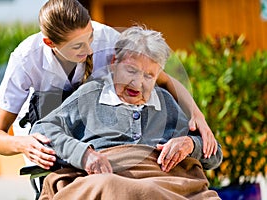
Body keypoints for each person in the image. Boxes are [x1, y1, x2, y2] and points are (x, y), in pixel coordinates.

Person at [0, 0, 217, 170]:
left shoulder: (108, 39)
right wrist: (22, 144)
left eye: (90, 37)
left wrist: (198, 117)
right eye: (77, 47)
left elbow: (161, 78)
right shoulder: (27, 59)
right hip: (48, 123)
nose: (89, 50)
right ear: (50, 43)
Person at [30, 26, 223, 199]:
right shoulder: (91, 95)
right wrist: (83, 154)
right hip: (110, 178)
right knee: (111, 186)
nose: (137, 83)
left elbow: (214, 157)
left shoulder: (165, 102)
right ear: (114, 62)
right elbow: (43, 130)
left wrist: (190, 144)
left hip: (170, 183)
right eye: (131, 70)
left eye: (149, 75)